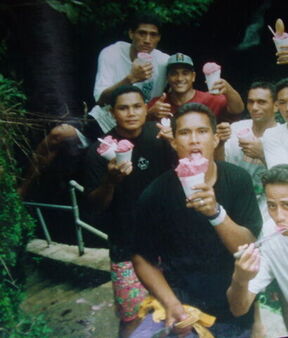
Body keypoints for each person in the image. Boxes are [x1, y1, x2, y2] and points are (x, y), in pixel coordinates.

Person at [131, 102, 262, 337]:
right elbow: (142, 257)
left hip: (233, 304)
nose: (194, 139)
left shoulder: (237, 180)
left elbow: (247, 247)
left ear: (214, 139)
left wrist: (215, 213)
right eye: (184, 132)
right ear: (173, 142)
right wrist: (171, 305)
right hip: (184, 307)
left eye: (202, 131)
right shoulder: (156, 193)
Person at [18, 13, 169, 197]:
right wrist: (131, 78)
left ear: (159, 38)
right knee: (59, 134)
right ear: (131, 34)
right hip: (103, 121)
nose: (147, 40)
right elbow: (100, 98)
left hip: (136, 127)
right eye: (142, 33)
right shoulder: (112, 53)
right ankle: (20, 192)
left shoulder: (163, 62)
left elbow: (182, 82)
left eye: (153, 35)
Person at [83, 85, 174, 337]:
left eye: (137, 106)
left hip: (168, 243)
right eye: (123, 108)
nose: (131, 113)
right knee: (132, 318)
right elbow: (93, 206)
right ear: (113, 113)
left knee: (174, 311)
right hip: (126, 246)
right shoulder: (99, 152)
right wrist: (110, 181)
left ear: (147, 108)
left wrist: (177, 144)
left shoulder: (161, 138)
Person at [227, 164, 288, 335]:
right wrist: (240, 279)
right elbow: (239, 308)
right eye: (272, 206)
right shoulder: (269, 233)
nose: (279, 217)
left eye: (286, 205)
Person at [223, 81, 278, 224]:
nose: (254, 107)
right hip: (233, 200)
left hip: (267, 206)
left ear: (276, 106)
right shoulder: (235, 129)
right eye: (251, 102)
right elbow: (220, 165)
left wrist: (262, 154)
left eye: (261, 102)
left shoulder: (283, 135)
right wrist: (219, 144)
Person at [147, 52, 244, 123]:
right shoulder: (158, 103)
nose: (180, 78)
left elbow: (238, 110)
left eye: (185, 73)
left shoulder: (210, 99)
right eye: (174, 74)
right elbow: (136, 126)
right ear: (167, 78)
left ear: (193, 76)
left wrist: (229, 90)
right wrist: (150, 113)